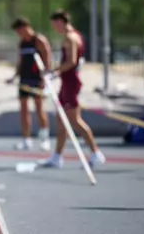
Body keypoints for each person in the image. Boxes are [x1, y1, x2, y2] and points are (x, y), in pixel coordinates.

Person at [38, 9, 105, 168]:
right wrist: (54, 72)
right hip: (67, 82)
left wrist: (54, 73)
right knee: (61, 120)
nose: (55, 29)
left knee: (75, 120)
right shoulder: (74, 35)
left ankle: (96, 153)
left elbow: (72, 61)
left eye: (55, 25)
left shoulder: (70, 37)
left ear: (61, 21)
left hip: (71, 83)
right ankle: (57, 156)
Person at [6, 17, 51, 151]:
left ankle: (45, 139)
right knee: (24, 110)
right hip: (24, 79)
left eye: (19, 31)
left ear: (25, 27)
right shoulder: (22, 43)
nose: (19, 34)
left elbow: (47, 59)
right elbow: (20, 62)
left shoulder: (39, 40)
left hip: (37, 79)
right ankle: (26, 139)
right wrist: (14, 77)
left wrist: (45, 79)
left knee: (39, 108)